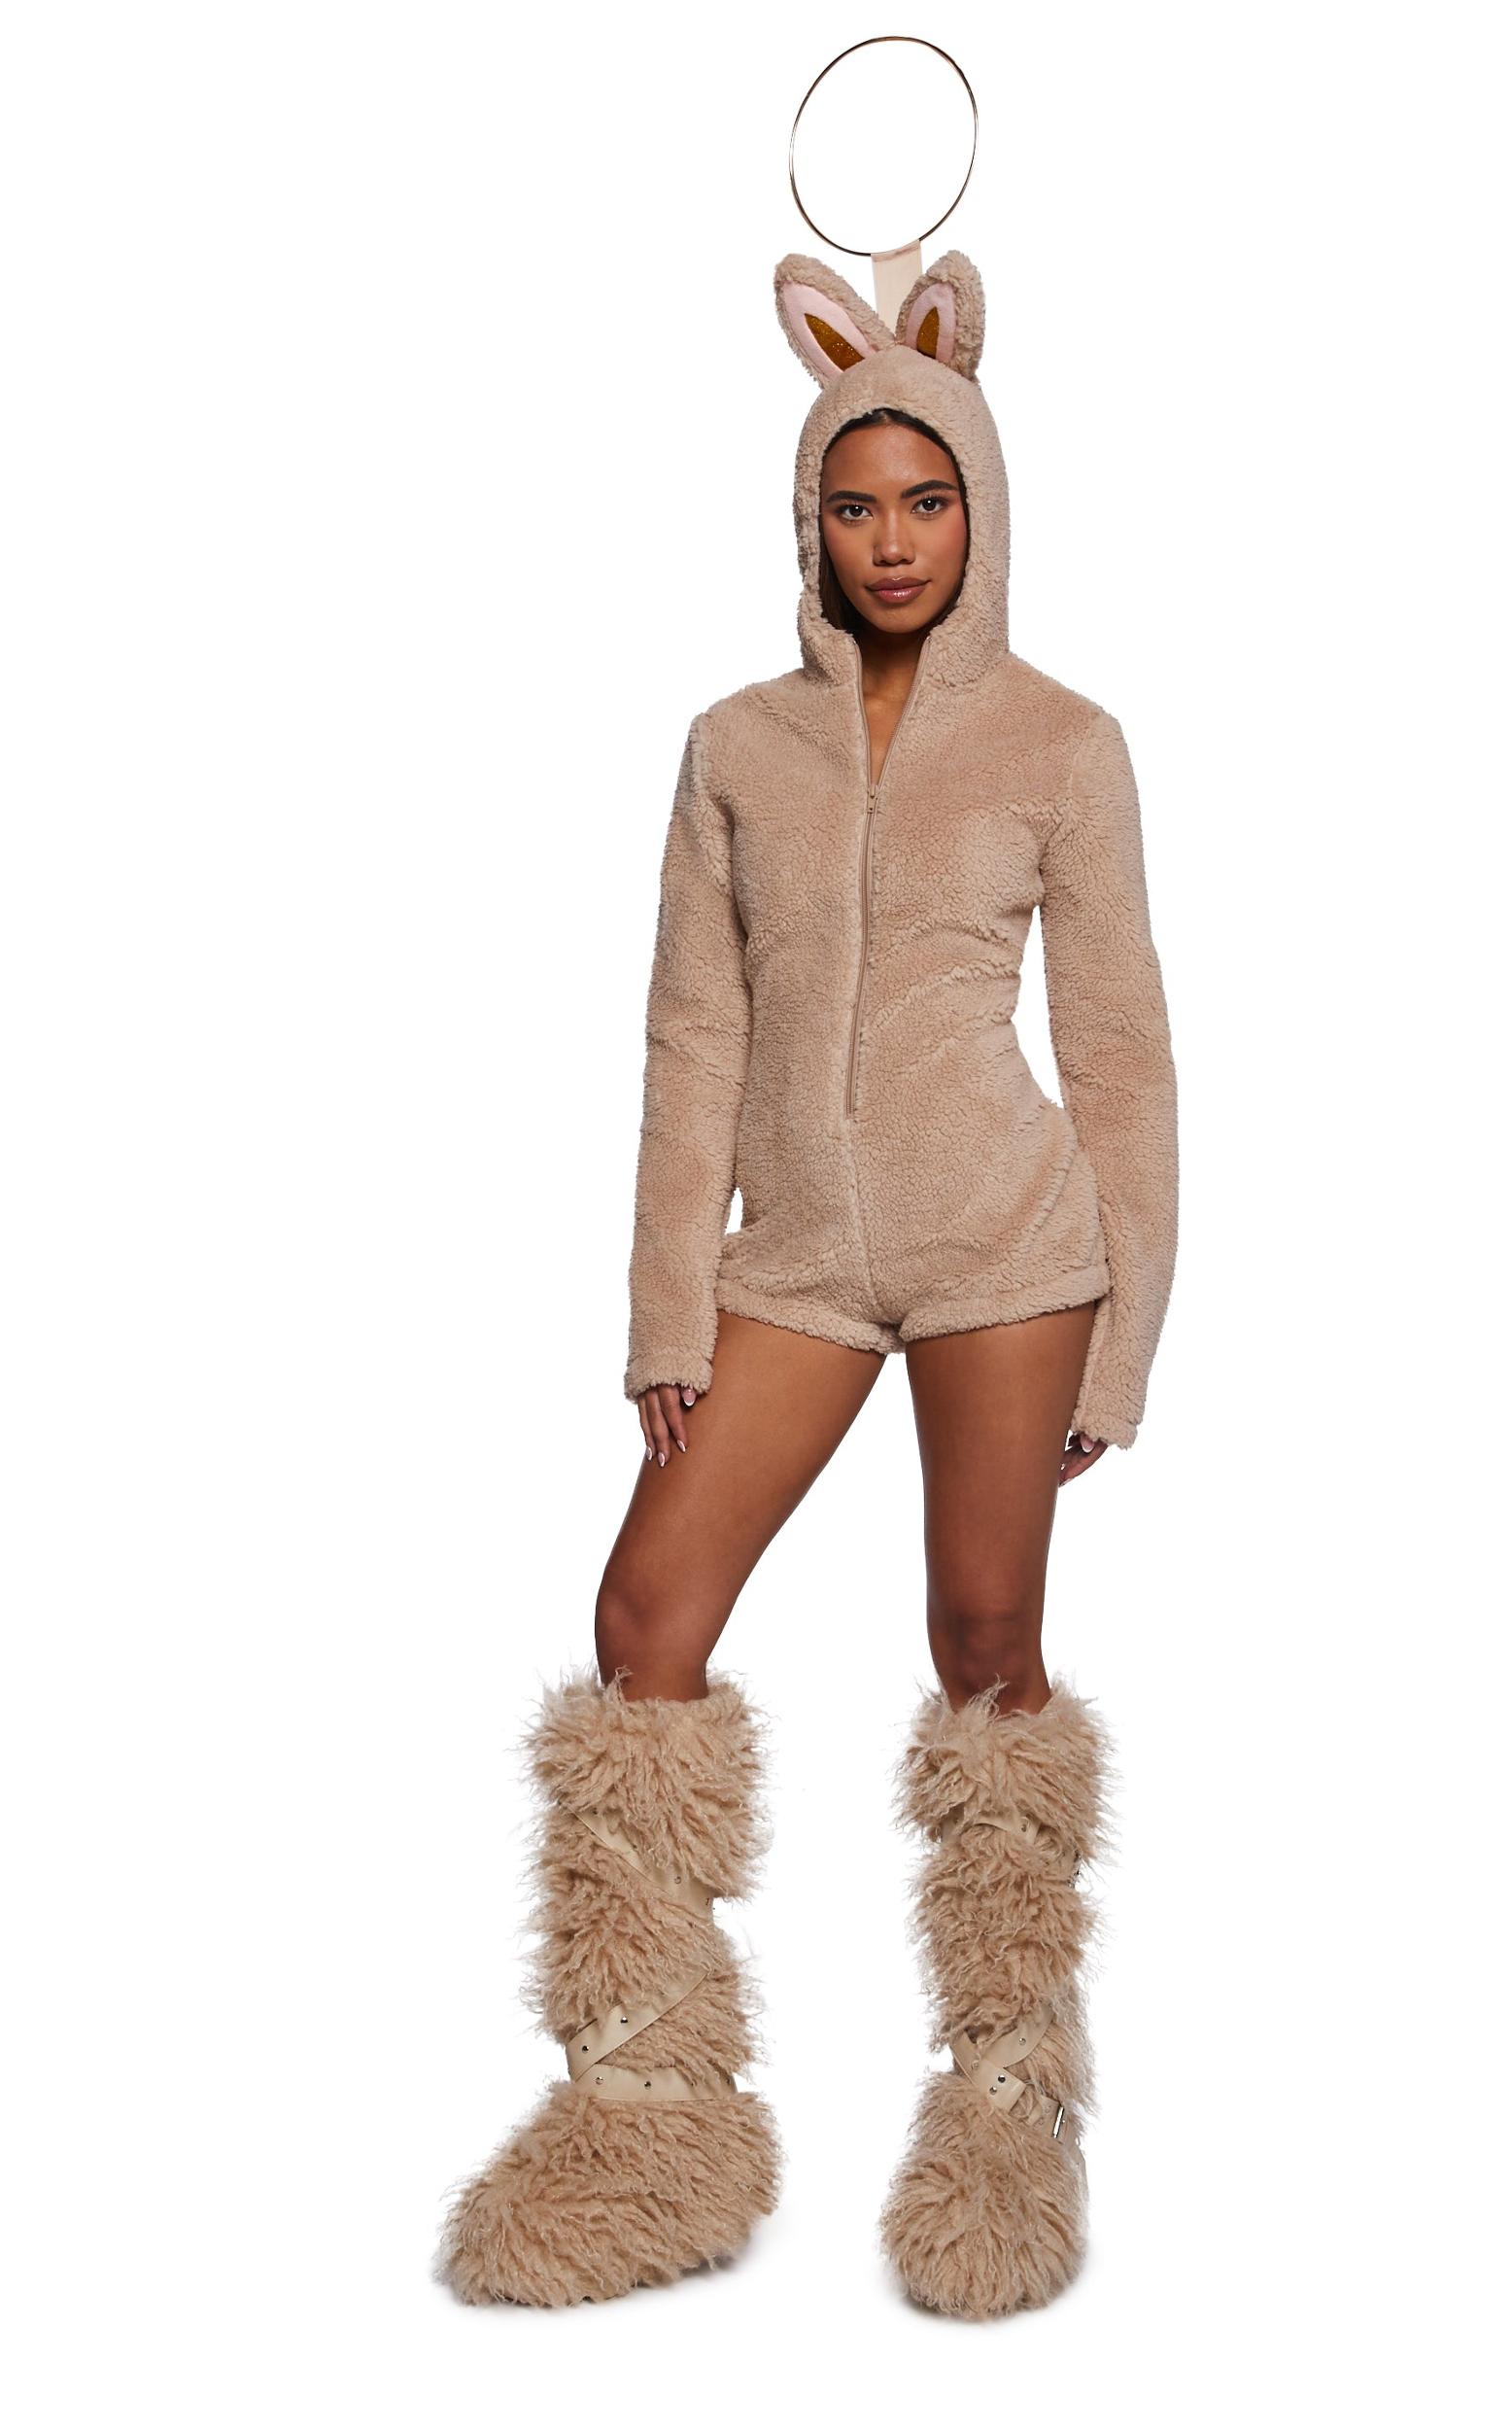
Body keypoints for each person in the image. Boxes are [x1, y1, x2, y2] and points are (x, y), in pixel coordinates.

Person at [437, 250, 1180, 2321]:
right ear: (809, 521)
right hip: (797, 1262)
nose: (893, 540)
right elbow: (690, 1036)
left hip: (1006, 1245)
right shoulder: (733, 746)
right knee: (644, 1617)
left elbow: (1120, 1047)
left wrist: (1127, 1329)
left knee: (983, 1638)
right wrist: (666, 1306)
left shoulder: (1065, 741)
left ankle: (1006, 2106)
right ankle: (647, 2108)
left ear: (981, 504)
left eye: (926, 500)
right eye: (854, 506)